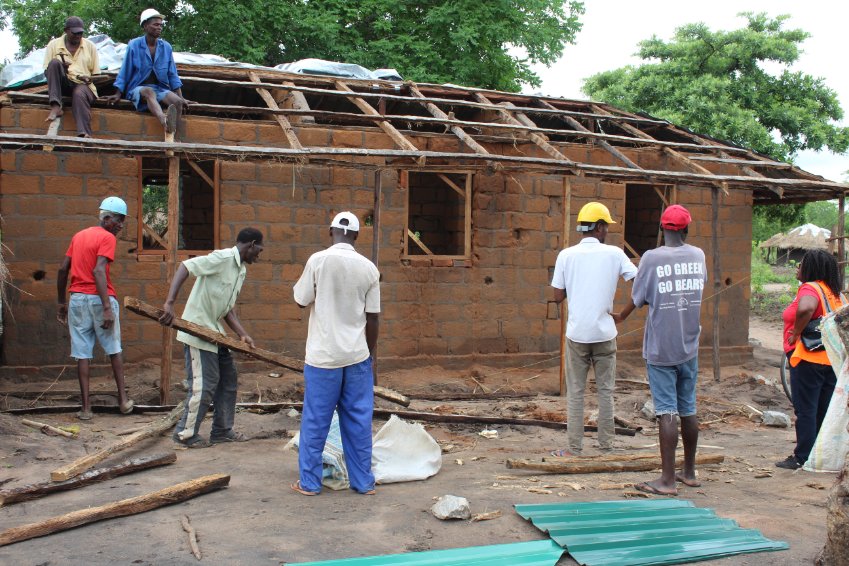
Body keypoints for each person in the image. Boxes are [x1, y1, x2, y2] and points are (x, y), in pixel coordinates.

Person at [614, 205, 707, 496]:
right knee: (688, 408)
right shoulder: (698, 255)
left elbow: (639, 297)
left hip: (661, 349)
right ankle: (688, 472)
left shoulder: (652, 259)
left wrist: (621, 316)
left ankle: (667, 480)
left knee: (666, 412)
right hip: (689, 345)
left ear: (662, 229)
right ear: (686, 229)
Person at [291, 212, 380, 496]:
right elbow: (374, 318)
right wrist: (370, 355)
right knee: (358, 421)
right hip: (356, 356)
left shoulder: (318, 261)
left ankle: (309, 483)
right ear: (356, 235)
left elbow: (300, 299)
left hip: (323, 358)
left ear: (330, 231)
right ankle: (363, 483)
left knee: (316, 420)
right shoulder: (369, 268)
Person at [159, 228, 264, 448]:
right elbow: (186, 266)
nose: (259, 255)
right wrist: (169, 303)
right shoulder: (223, 258)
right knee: (204, 384)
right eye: (259, 250)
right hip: (198, 330)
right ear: (252, 244)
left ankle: (222, 431)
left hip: (215, 333)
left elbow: (228, 309)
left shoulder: (241, 270)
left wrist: (243, 334)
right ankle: (185, 434)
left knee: (228, 380)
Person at [549, 202, 638, 457]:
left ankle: (574, 449)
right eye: (606, 226)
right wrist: (623, 313)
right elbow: (639, 284)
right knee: (605, 392)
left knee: (576, 393)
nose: (607, 230)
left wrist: (575, 287)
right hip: (605, 334)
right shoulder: (615, 254)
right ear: (599, 227)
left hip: (577, 335)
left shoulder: (566, 255)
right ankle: (606, 446)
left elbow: (557, 296)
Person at [57, 197, 133, 420]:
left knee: (82, 354)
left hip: (78, 300)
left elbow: (63, 270)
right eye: (118, 220)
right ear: (106, 218)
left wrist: (61, 302)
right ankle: (123, 401)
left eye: (123, 221)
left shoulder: (79, 236)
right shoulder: (107, 238)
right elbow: (99, 271)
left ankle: (86, 409)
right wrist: (107, 308)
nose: (121, 225)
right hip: (100, 299)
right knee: (113, 348)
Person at [777, 249, 845, 470]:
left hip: (808, 358)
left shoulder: (811, 288)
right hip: (831, 361)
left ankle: (802, 457)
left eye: (801, 264)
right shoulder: (836, 293)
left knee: (806, 409)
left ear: (811, 268)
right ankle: (818, 456)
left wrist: (796, 333)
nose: (798, 268)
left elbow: (806, 308)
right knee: (822, 410)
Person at [105, 8, 189, 129]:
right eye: (155, 24)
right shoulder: (134, 45)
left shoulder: (166, 47)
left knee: (178, 103)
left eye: (161, 25)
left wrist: (181, 97)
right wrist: (118, 93)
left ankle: (174, 134)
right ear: (145, 26)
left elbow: (172, 74)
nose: (159, 27)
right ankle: (164, 121)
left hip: (160, 89)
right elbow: (125, 70)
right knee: (148, 92)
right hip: (138, 88)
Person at [43, 16, 100, 137]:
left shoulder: (90, 47)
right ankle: (56, 106)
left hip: (84, 85)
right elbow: (47, 73)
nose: (78, 36)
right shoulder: (53, 45)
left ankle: (84, 132)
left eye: (80, 33)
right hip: (64, 84)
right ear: (66, 30)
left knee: (79, 93)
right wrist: (62, 69)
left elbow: (96, 75)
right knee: (54, 63)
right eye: (74, 33)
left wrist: (87, 78)